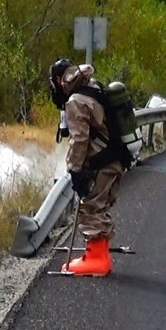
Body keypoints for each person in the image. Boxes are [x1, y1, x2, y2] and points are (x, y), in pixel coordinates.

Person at [52, 63, 125, 276]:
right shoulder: (94, 88)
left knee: (90, 208)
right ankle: (99, 256)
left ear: (59, 80)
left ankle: (96, 260)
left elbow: (80, 139)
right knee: (98, 208)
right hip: (116, 160)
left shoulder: (76, 101)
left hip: (103, 163)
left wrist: (75, 170)